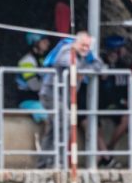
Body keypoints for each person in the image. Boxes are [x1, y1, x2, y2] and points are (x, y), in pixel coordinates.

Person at [37, 31, 103, 169]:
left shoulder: (84, 55)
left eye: (88, 46)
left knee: (52, 128)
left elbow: (99, 66)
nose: (85, 48)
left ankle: (43, 162)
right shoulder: (67, 51)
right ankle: (57, 161)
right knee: (65, 122)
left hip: (63, 96)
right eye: (83, 45)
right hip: (51, 94)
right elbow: (72, 66)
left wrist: (91, 56)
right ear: (76, 43)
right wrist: (86, 67)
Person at [97, 35, 132, 167]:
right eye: (122, 48)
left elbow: (125, 86)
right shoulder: (103, 64)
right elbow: (106, 89)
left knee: (128, 118)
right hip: (106, 103)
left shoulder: (123, 65)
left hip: (121, 103)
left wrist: (127, 99)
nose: (125, 50)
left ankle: (108, 149)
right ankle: (107, 154)